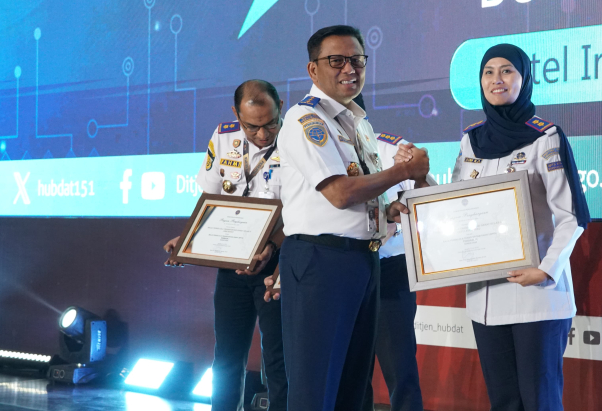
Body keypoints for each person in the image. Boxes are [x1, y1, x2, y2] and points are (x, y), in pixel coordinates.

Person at [276, 25, 429, 411]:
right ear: (313, 70)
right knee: (315, 391)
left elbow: (360, 193)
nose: (350, 69)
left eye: (357, 60)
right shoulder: (304, 119)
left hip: (363, 260)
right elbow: (340, 193)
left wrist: (387, 210)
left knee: (352, 389)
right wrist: (402, 172)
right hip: (320, 262)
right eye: (337, 61)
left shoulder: (357, 122)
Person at [449, 43, 590, 411]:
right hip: (484, 297)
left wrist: (545, 270)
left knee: (539, 401)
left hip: (537, 295)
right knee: (504, 402)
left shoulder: (545, 137)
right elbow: (455, 207)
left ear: (524, 78)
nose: (497, 79)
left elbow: (572, 215)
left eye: (507, 70)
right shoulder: (471, 140)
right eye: (488, 72)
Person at [164, 80, 288, 411]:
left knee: (277, 360)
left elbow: (300, 212)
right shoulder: (223, 135)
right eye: (253, 126)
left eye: (271, 123)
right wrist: (189, 238)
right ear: (236, 114)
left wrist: (271, 250)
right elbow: (211, 196)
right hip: (231, 267)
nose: (263, 134)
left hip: (275, 268)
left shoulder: (297, 142)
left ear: (281, 107)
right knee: (227, 358)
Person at [361, 125, 431, 411]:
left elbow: (427, 199)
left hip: (389, 267)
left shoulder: (394, 149)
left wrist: (399, 207)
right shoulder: (323, 149)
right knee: (351, 370)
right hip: (342, 268)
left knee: (400, 368)